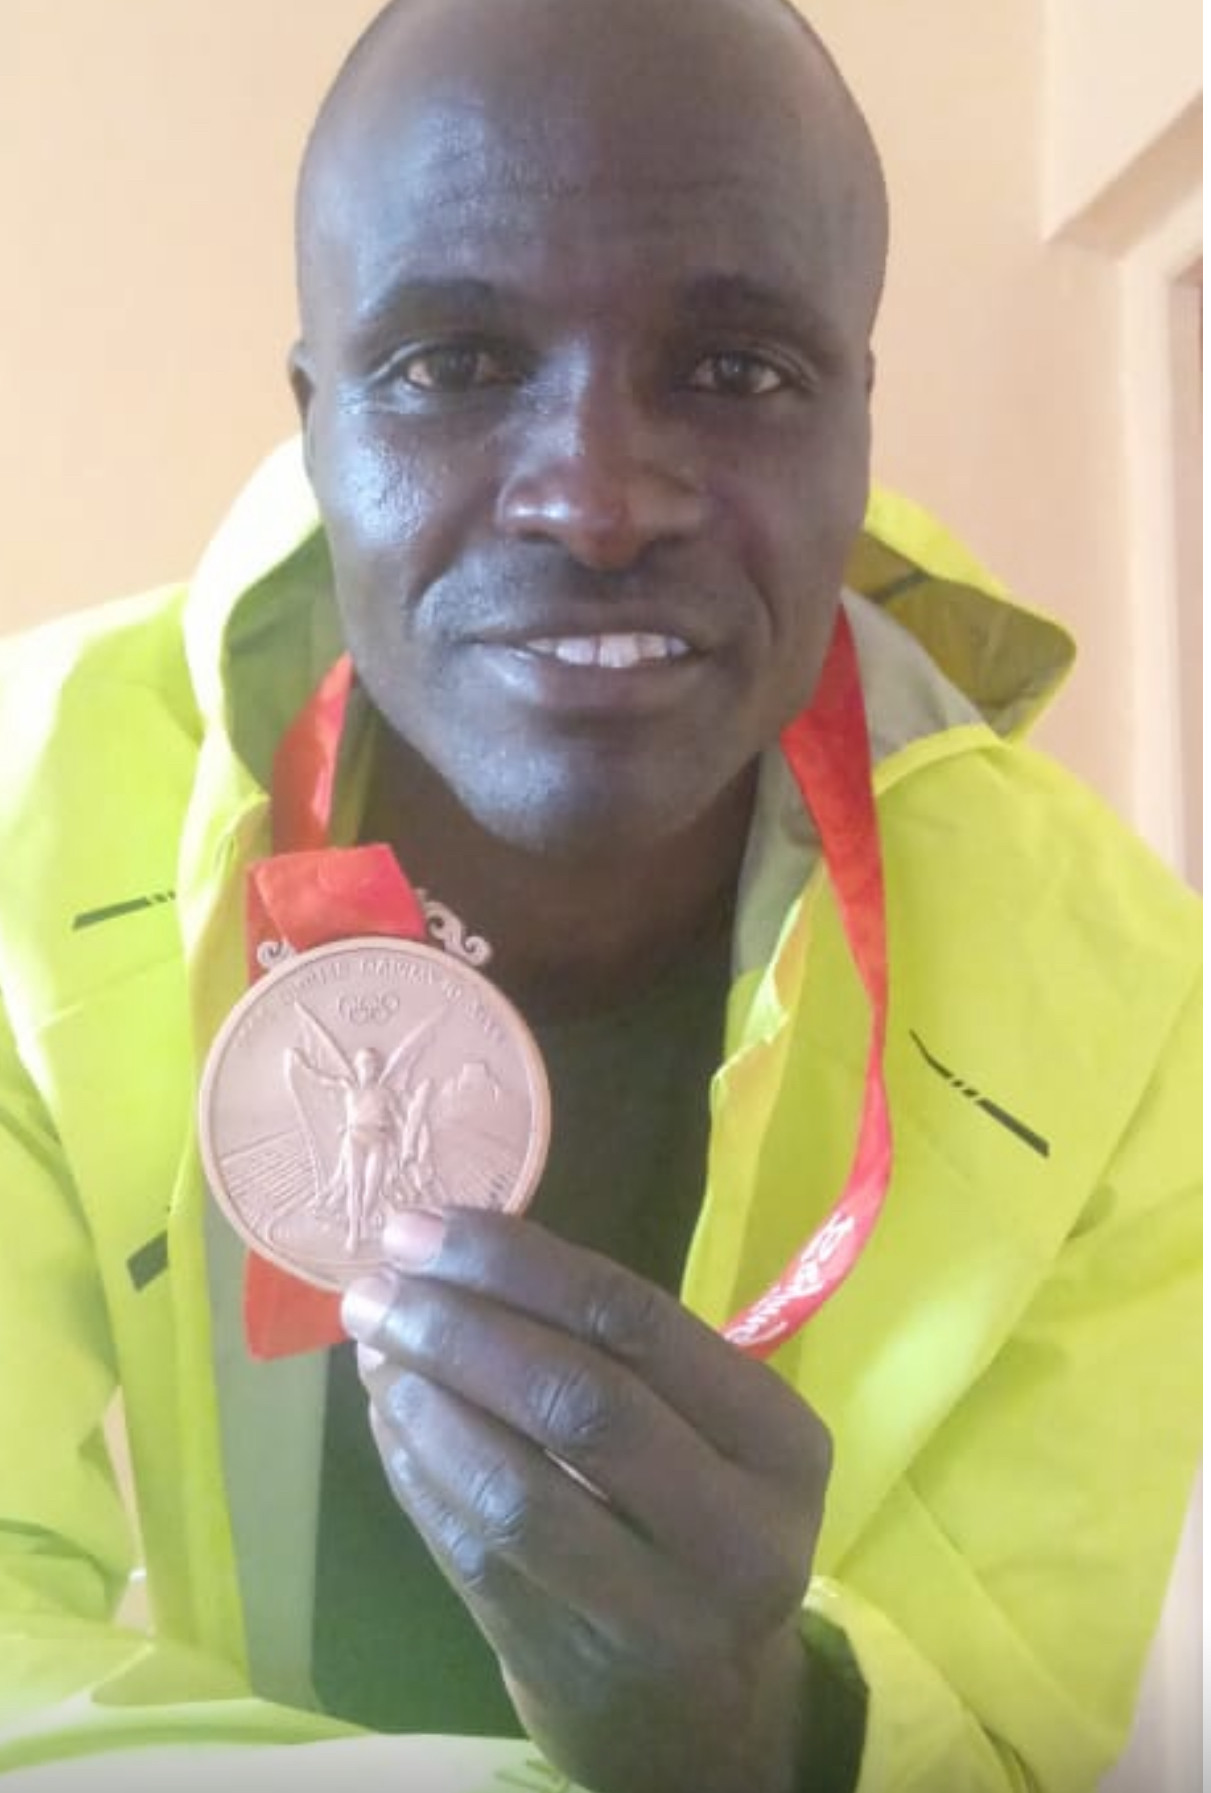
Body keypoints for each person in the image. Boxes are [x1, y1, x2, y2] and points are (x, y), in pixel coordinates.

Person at [0, 1, 1199, 1790]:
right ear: (318, 428)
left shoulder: (1122, 988)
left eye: (736, 369)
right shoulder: (25, 823)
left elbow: (1019, 1718)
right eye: (456, 362)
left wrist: (783, 1725)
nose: (597, 500)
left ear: (859, 421)